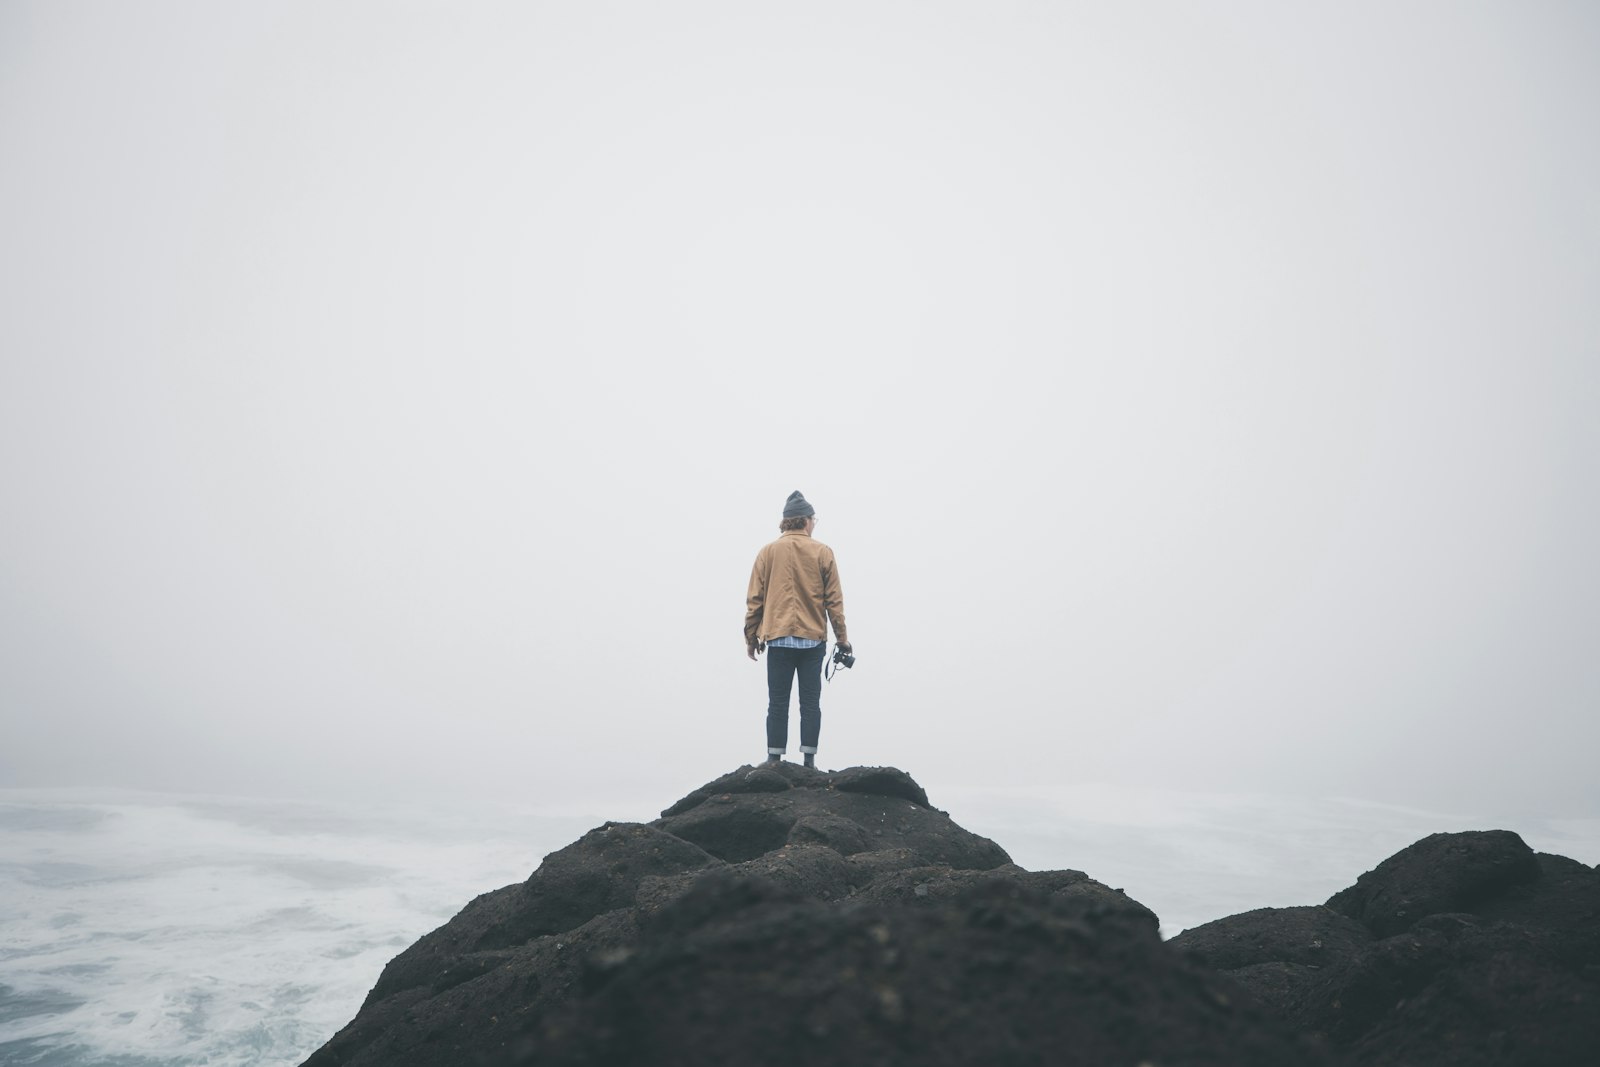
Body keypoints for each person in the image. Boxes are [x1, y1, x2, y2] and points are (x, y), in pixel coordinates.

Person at [744, 490, 851, 769]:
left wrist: (750, 637)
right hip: (812, 640)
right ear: (805, 521)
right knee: (810, 704)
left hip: (777, 639)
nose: (814, 524)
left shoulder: (767, 553)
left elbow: (755, 599)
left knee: (777, 703)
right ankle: (809, 761)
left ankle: (774, 759)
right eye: (813, 519)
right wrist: (843, 639)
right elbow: (834, 602)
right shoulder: (823, 552)